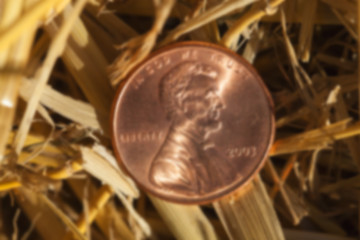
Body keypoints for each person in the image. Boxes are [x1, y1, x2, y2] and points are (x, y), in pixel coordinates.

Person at [149, 62, 236, 195]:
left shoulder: (212, 153)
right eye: (211, 95)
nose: (220, 104)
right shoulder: (167, 171)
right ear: (182, 103)